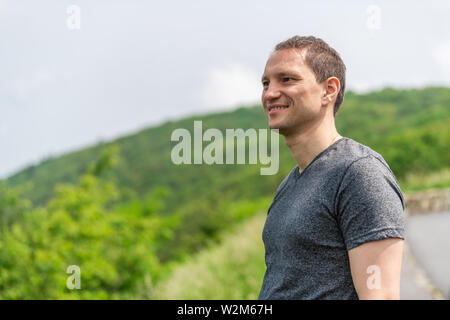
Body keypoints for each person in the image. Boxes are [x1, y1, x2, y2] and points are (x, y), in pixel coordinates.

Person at [258, 36, 405, 300]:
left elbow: (380, 295)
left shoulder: (359, 173)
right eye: (266, 83)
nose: (270, 93)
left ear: (329, 90)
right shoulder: (289, 185)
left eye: (287, 80)